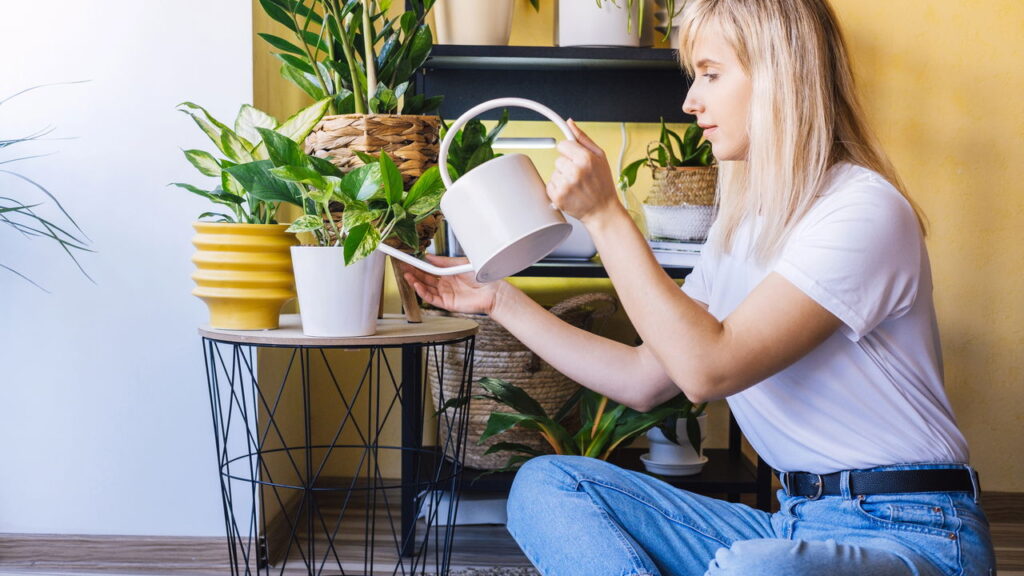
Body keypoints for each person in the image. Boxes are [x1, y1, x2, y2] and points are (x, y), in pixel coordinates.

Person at [400, 0, 996, 574]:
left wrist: (607, 215)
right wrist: (499, 299)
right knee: (549, 485)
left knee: (752, 569)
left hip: (913, 532)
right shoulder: (740, 231)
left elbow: (710, 369)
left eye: (710, 74)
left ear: (779, 79)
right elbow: (644, 379)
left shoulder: (862, 211)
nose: (690, 100)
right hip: (793, 525)